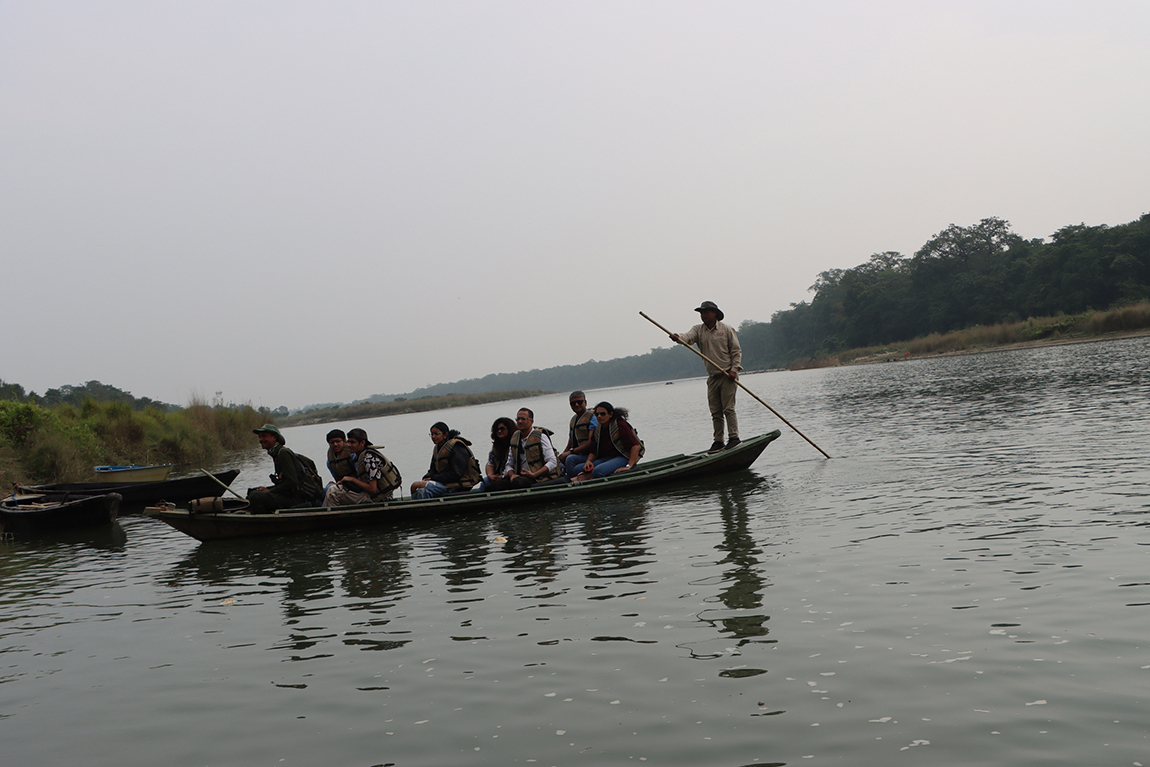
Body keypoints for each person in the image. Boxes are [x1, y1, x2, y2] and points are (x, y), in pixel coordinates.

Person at [670, 300, 743, 451]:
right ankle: (718, 441)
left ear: (714, 313)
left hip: (727, 374)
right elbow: (687, 338)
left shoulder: (726, 329)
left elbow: (736, 351)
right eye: (701, 313)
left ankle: (734, 438)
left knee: (728, 409)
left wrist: (734, 370)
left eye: (706, 312)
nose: (703, 315)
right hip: (713, 377)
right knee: (715, 412)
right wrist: (678, 337)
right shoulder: (698, 330)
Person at [322, 428, 401, 507]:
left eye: (352, 442)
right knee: (328, 489)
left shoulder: (369, 459)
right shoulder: (358, 456)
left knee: (333, 492)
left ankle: (326, 517)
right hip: (366, 494)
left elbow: (373, 489)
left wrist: (351, 479)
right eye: (348, 442)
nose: (349, 445)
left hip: (377, 498)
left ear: (362, 443)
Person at [485, 408, 560, 491]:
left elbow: (552, 461)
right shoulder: (514, 438)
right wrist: (512, 474)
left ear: (531, 421)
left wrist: (534, 474)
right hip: (519, 477)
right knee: (491, 487)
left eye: (523, 419)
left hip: (538, 477)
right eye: (518, 419)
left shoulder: (541, 437)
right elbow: (509, 464)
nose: (520, 421)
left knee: (518, 483)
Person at [246, 424, 313, 514]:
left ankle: (265, 523)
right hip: (289, 495)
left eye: (264, 436)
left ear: (274, 437)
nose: (261, 440)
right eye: (260, 437)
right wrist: (266, 489)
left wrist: (270, 491)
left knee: (255, 496)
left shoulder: (283, 453)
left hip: (297, 498)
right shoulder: (276, 454)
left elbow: (292, 482)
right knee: (252, 493)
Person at [410, 421, 482, 499]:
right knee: (414, 486)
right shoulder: (437, 449)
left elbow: (456, 474)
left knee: (422, 487)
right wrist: (426, 478)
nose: (433, 436)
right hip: (445, 482)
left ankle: (424, 508)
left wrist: (433, 478)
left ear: (445, 434)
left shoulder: (457, 447)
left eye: (436, 434)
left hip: (459, 484)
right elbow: (433, 470)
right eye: (431, 434)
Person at [575, 401, 643, 479]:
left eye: (603, 414)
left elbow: (636, 446)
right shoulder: (598, 429)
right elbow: (594, 449)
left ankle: (586, 478)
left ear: (610, 414)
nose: (599, 416)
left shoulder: (620, 425)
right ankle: (584, 477)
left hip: (624, 457)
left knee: (597, 471)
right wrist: (589, 461)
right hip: (608, 458)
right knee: (578, 469)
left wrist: (629, 466)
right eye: (597, 414)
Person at [558, 390, 597, 477]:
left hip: (592, 454)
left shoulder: (593, 417)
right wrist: (562, 456)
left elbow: (591, 442)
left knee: (570, 459)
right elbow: (570, 442)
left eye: (579, 402)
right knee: (560, 462)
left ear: (585, 402)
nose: (576, 405)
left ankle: (572, 482)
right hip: (579, 454)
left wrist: (571, 452)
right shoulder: (573, 420)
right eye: (573, 403)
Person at [475, 416, 517, 491]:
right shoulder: (496, 447)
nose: (499, 431)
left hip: (511, 476)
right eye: (497, 429)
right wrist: (491, 475)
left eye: (502, 429)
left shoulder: (516, 444)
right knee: (485, 482)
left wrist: (504, 476)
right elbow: (490, 464)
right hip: (499, 476)